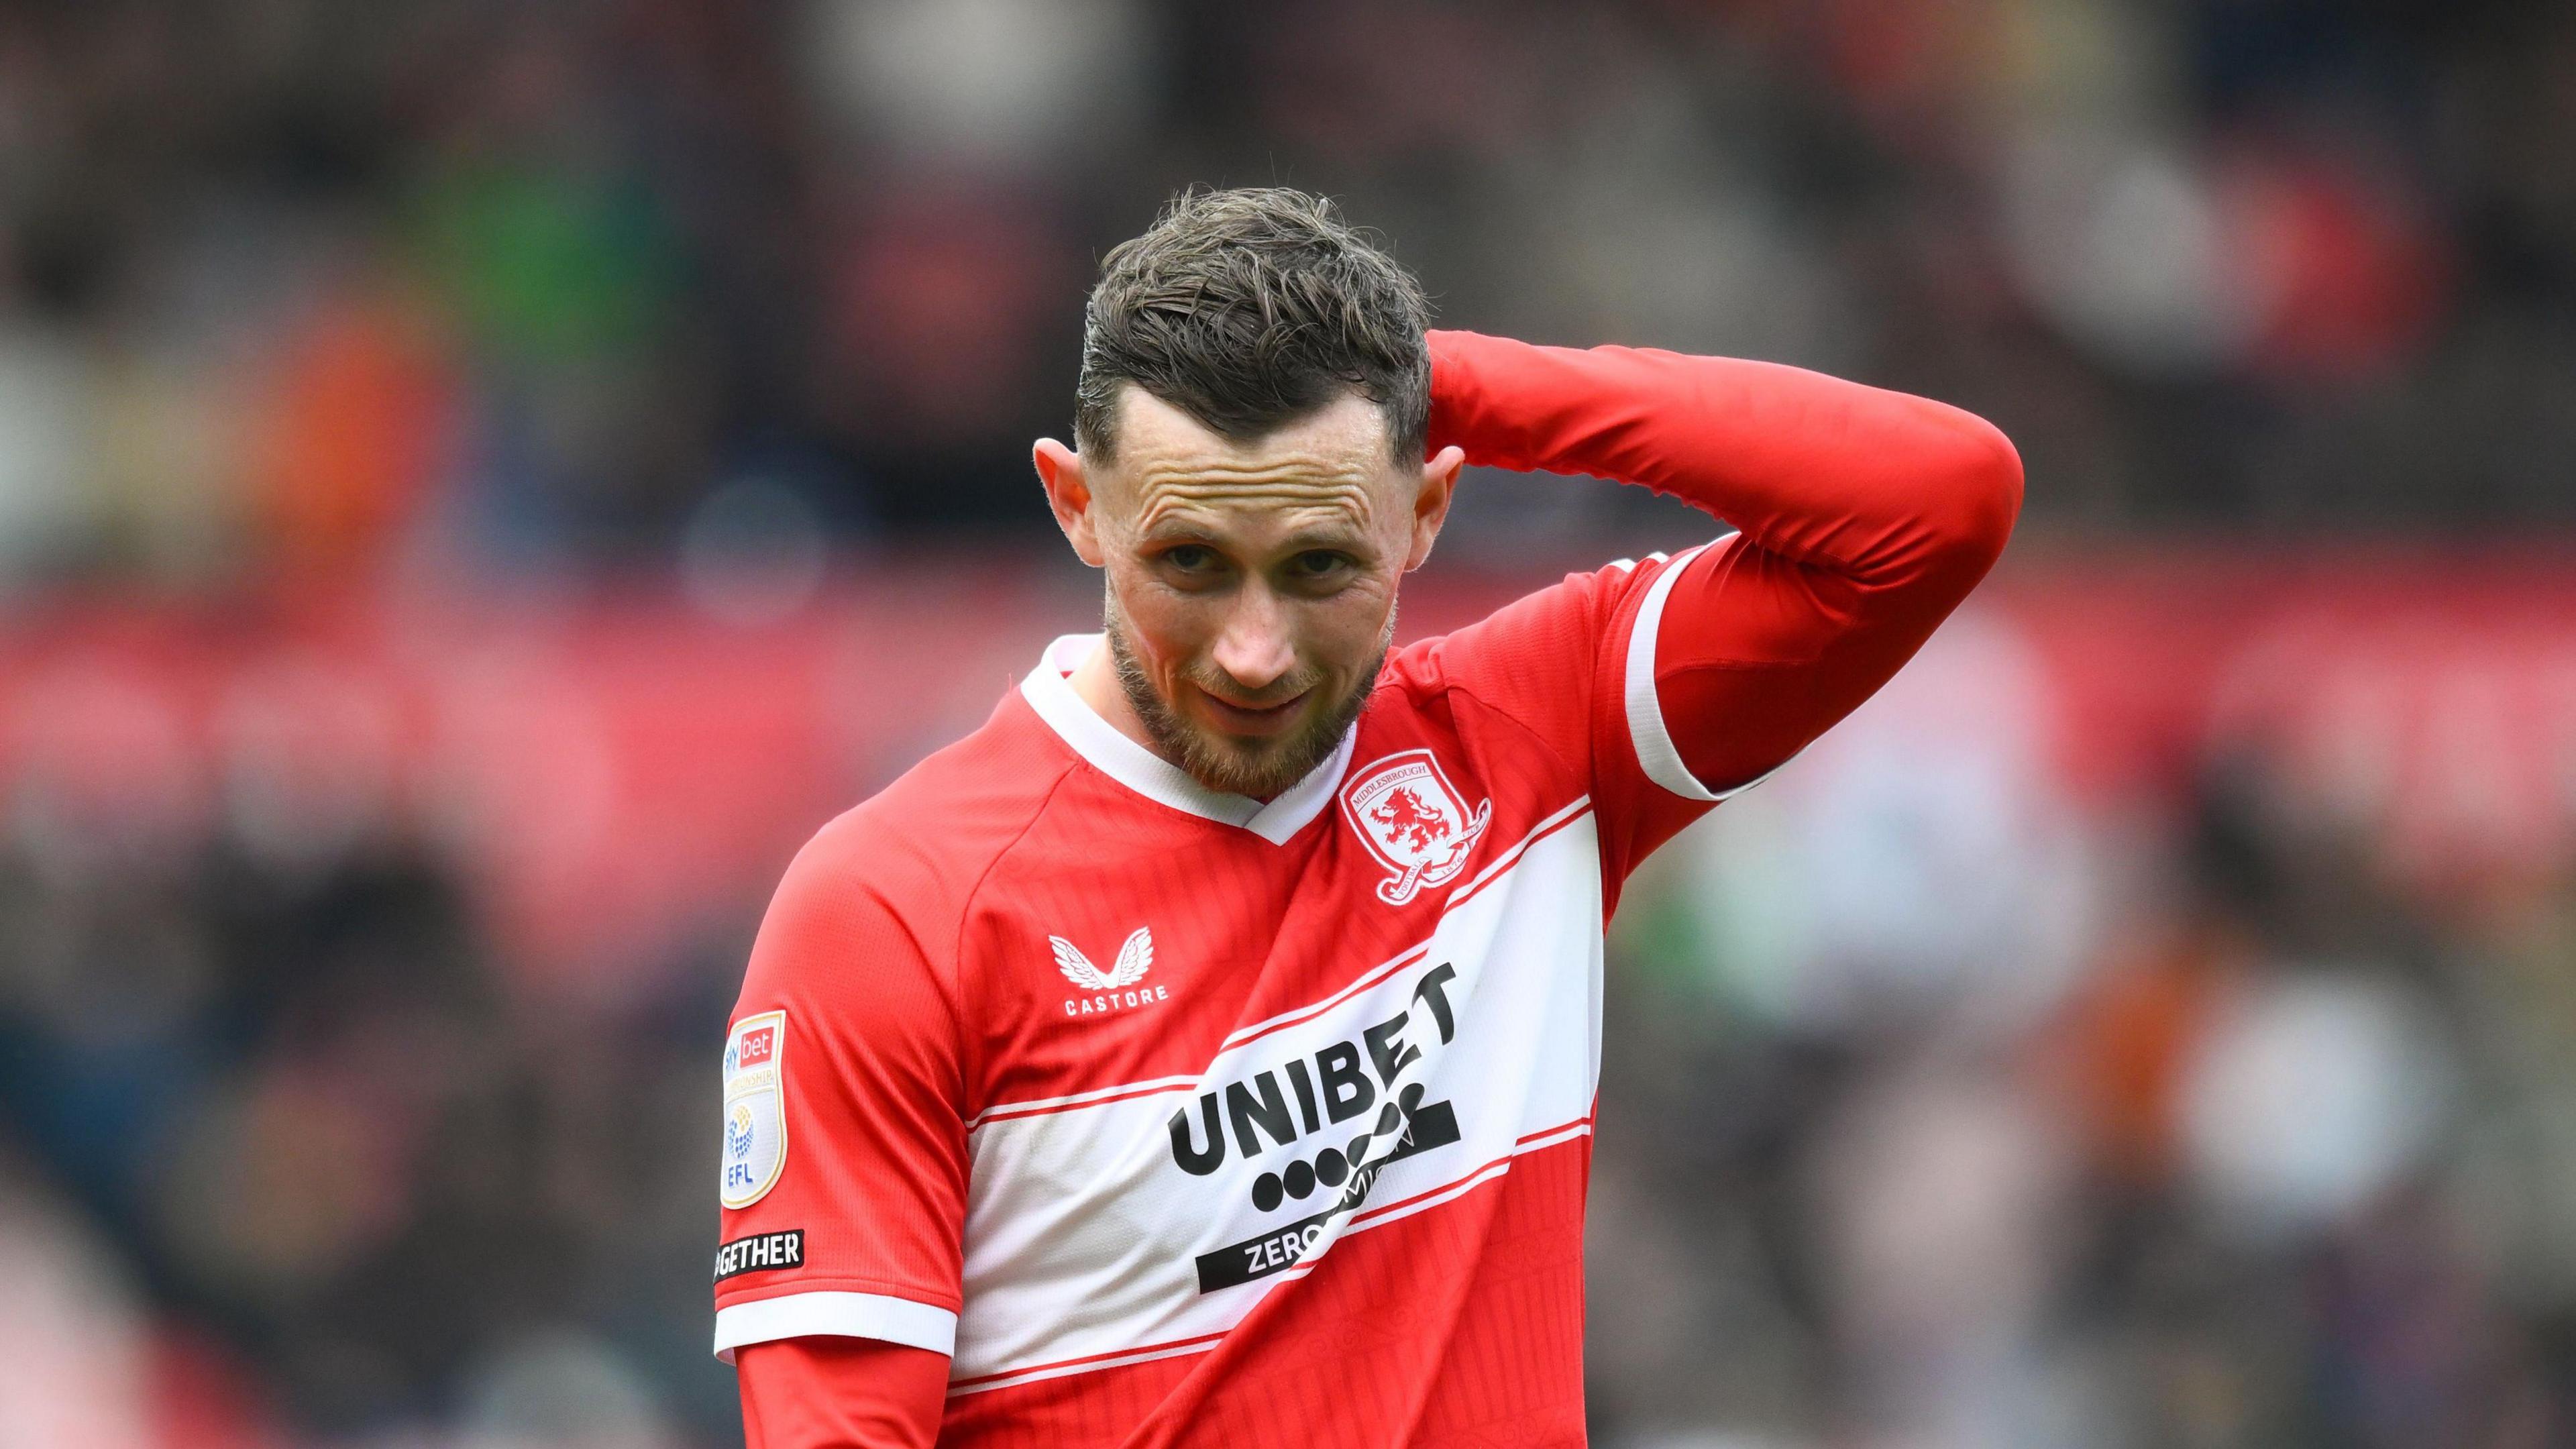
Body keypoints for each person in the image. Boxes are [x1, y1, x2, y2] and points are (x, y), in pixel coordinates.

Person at [714, 187, 2021, 1447]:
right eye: (1191, 563)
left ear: (1426, 512)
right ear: (1078, 507)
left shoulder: (1529, 737)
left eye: (1321, 565)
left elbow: (1935, 505)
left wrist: (1448, 386)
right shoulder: (892, 910)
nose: (1255, 651)